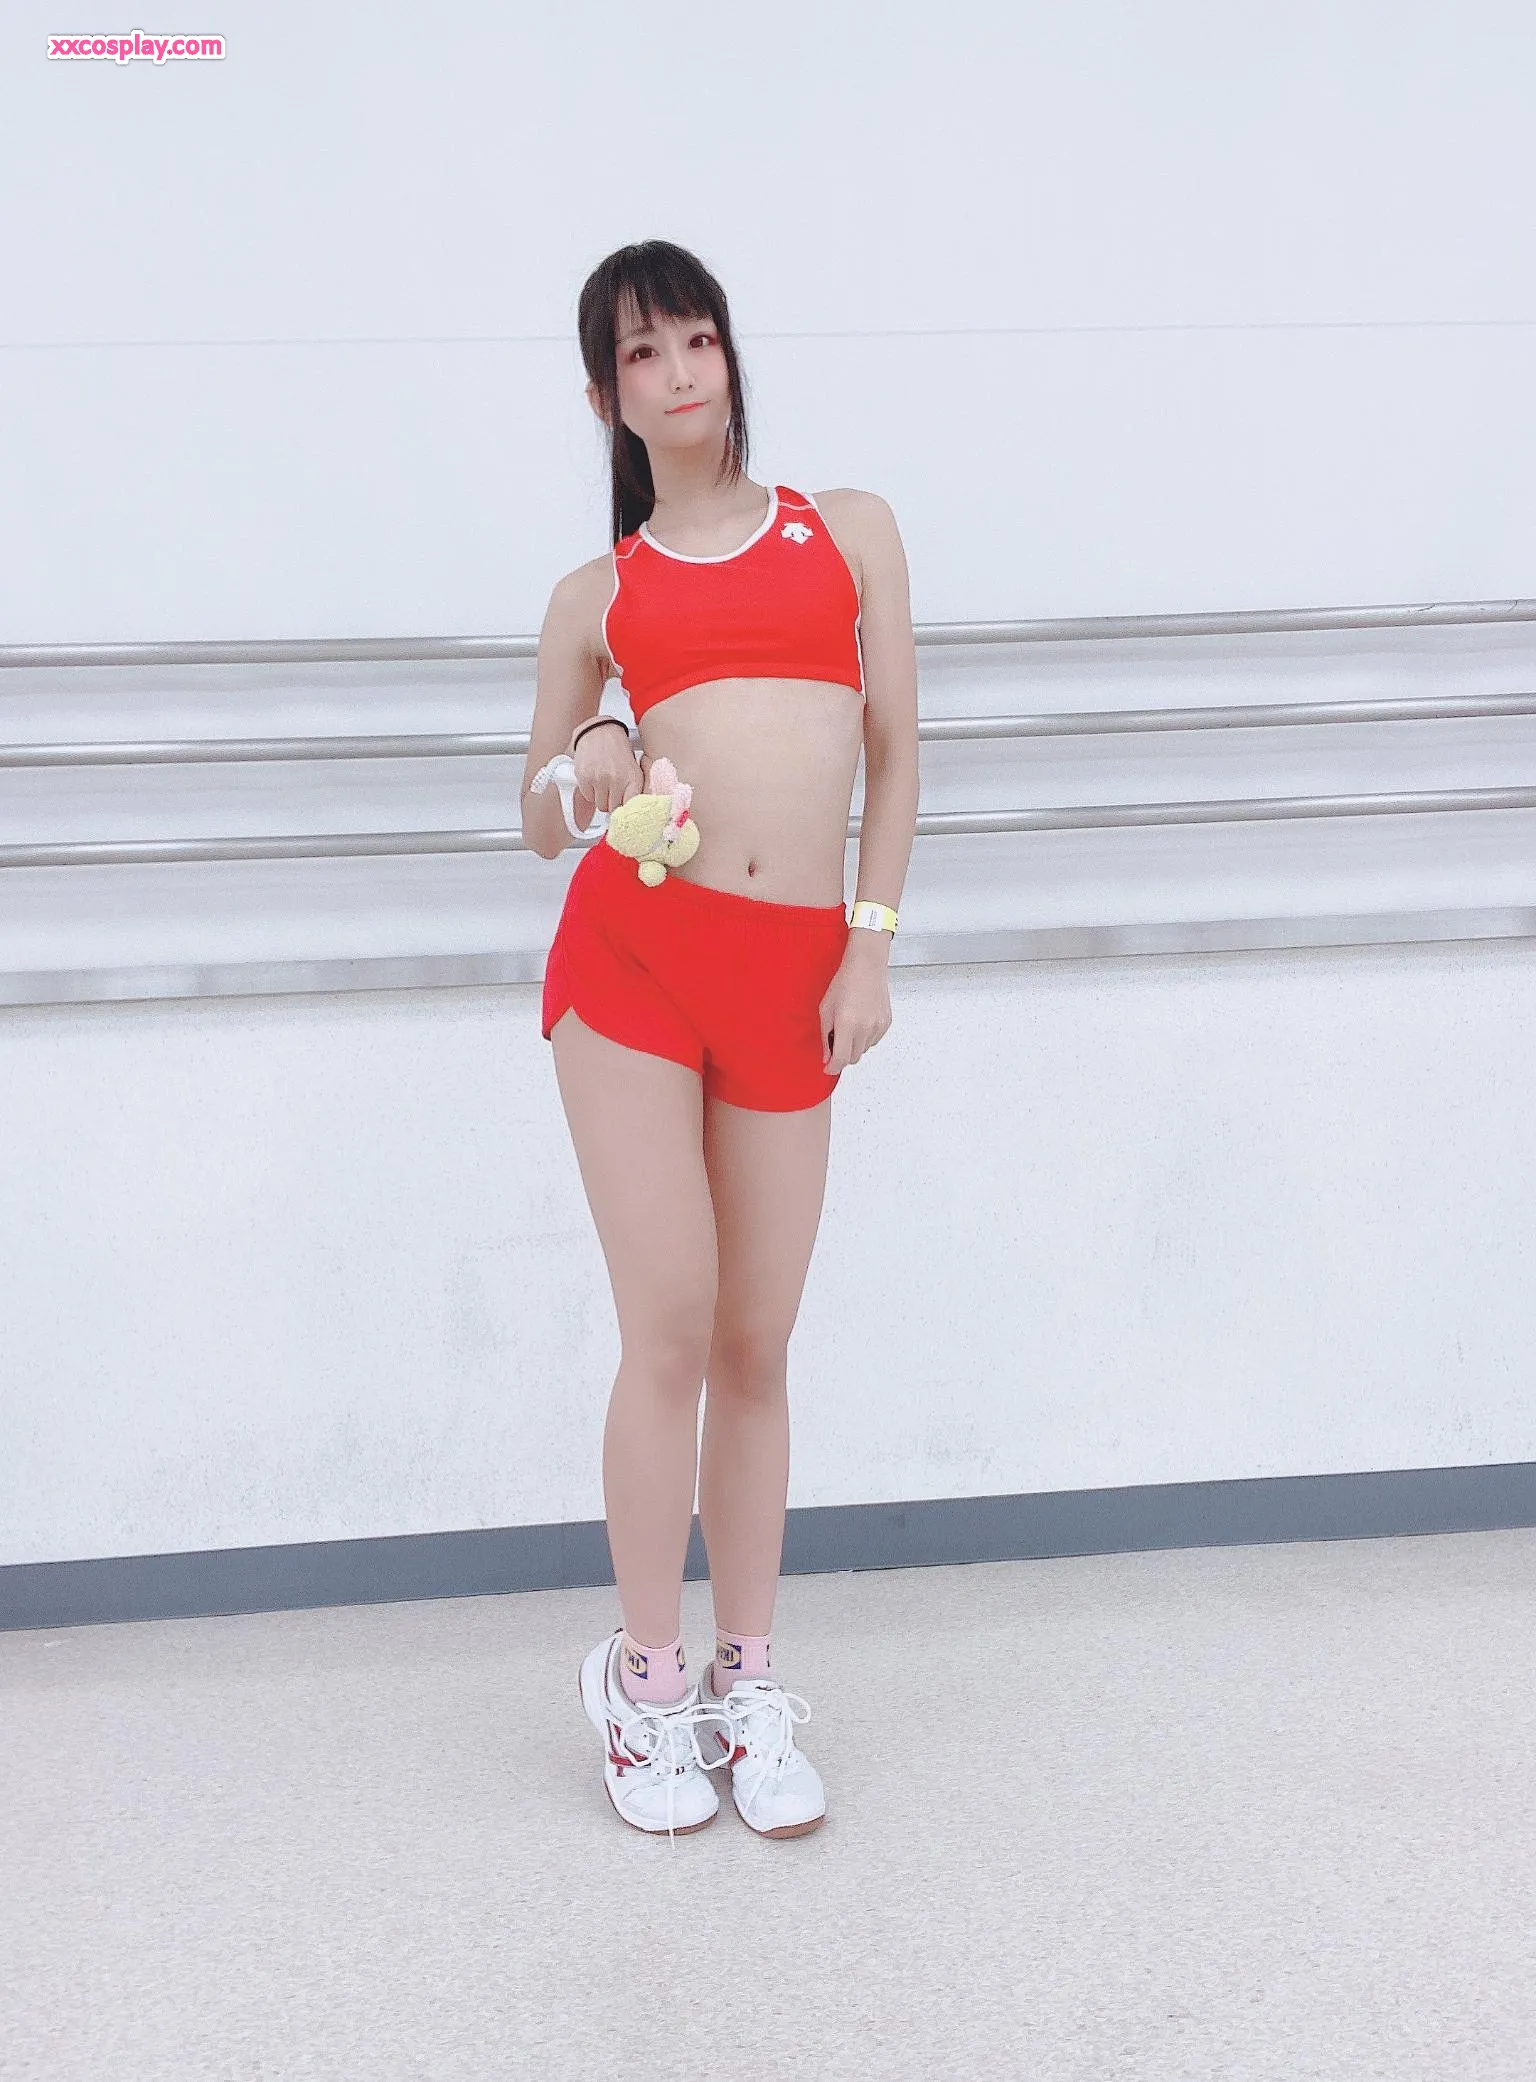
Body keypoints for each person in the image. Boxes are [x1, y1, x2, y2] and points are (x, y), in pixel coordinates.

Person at [520, 240, 920, 1842]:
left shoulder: (851, 530)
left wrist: (869, 943)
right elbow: (532, 813)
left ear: (730, 354)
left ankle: (748, 1682)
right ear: (605, 396)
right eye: (643, 354)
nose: (680, 372)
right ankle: (644, 1680)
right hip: (634, 966)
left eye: (697, 339)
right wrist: (594, 748)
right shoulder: (596, 596)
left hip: (793, 976)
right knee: (673, 1321)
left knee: (759, 1340)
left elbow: (897, 755)